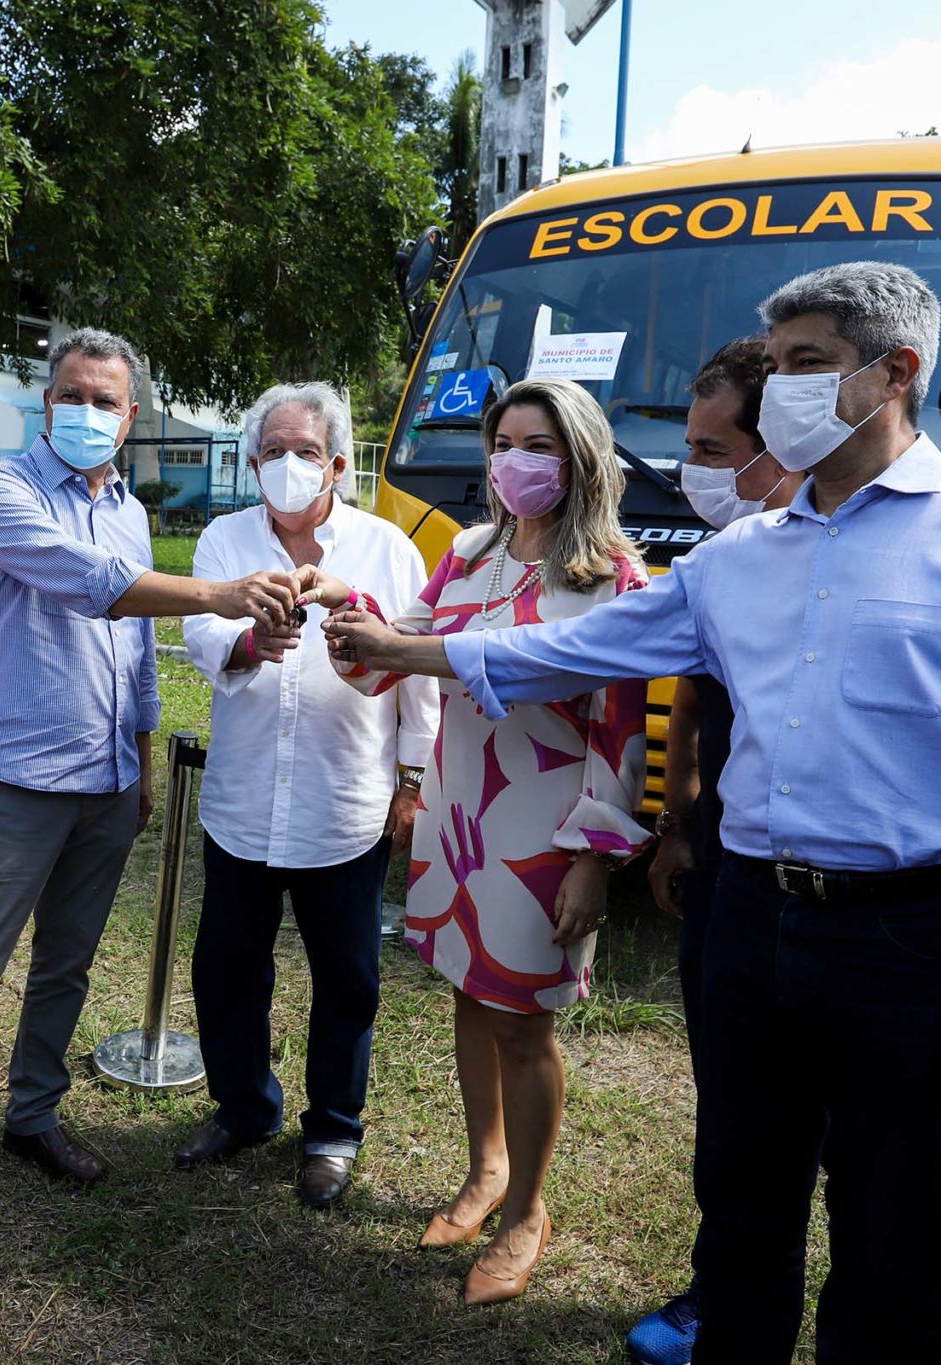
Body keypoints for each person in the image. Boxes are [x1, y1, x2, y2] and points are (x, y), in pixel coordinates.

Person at [323, 262, 941, 1361]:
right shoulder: (735, 560)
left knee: (899, 1250)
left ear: (894, 373)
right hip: (753, 928)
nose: (778, 394)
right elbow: (572, 649)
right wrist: (404, 649)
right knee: (740, 1215)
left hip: (919, 941)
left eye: (806, 365)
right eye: (771, 369)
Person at [0, 327, 305, 1239]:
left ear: (130, 415)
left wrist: (145, 759)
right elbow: (95, 585)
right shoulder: (2, 491)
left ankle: (33, 1111)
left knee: (67, 962)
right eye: (71, 395)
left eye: (106, 400)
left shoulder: (126, 505)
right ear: (48, 402)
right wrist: (220, 594)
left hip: (109, 775)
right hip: (17, 775)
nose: (87, 413)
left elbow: (135, 651)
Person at [325, 376, 650, 1305]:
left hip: (548, 829)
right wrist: (352, 622)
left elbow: (619, 733)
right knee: (471, 998)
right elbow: (400, 649)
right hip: (462, 820)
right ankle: (486, 1168)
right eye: (504, 441)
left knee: (523, 1020)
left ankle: (527, 1211)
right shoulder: (467, 553)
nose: (516, 460)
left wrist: (596, 856)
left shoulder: (612, 578)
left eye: (538, 444)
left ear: (580, 457)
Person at [175, 382, 437, 1207]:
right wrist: (252, 640)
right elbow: (202, 633)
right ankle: (245, 1107)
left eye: (307, 451)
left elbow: (418, 671)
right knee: (225, 968)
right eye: (274, 451)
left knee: (348, 976)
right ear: (253, 461)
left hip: (345, 803)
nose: (289, 466)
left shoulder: (387, 547)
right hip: (244, 803)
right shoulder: (224, 538)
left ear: (340, 462)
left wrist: (413, 781)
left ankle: (333, 1129)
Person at [627, 339, 804, 1365]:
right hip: (728, 873)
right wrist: (676, 820)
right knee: (736, 1110)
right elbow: (690, 694)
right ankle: (724, 1291)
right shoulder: (718, 564)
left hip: (850, 900)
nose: (687, 469)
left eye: (707, 447)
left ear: (774, 441)